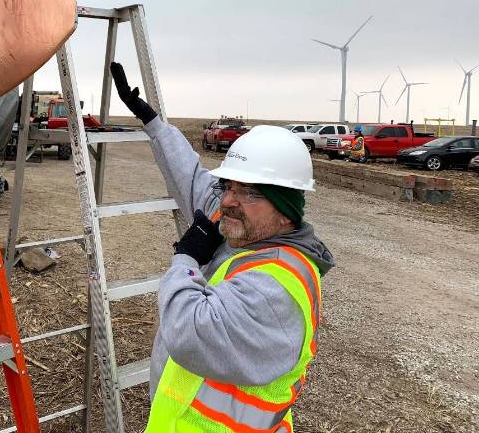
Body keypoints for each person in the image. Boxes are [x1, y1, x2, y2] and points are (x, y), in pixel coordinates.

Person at [110, 62, 334, 432]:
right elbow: (192, 178)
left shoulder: (276, 286)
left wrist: (186, 258)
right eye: (228, 185)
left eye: (247, 191)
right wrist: (153, 123)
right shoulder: (245, 228)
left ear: (285, 212)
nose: (228, 200)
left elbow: (186, 331)